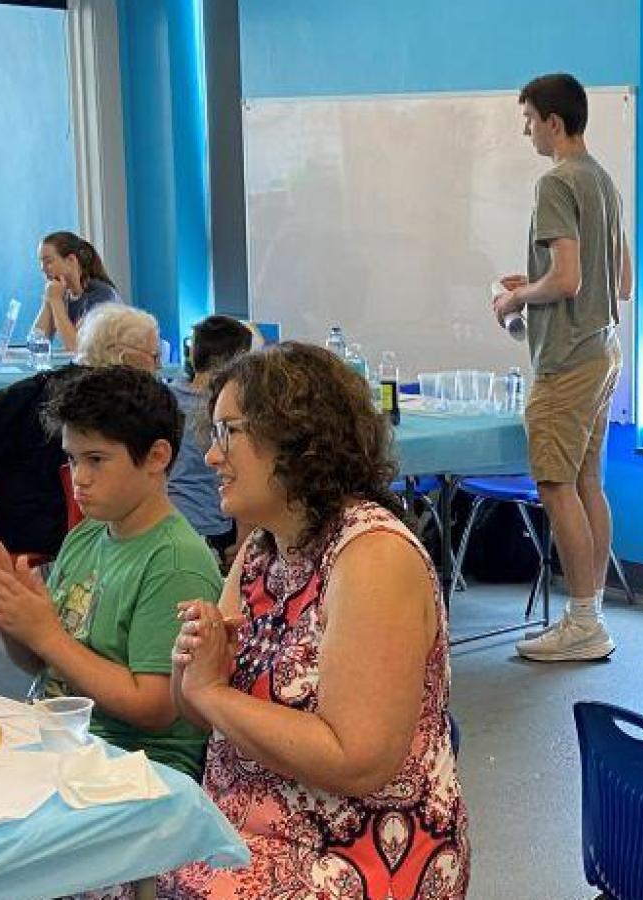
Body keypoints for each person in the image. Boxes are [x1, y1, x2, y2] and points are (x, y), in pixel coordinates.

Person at [164, 343, 467, 897]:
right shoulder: (264, 547)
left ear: (295, 440)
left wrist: (210, 692)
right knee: (88, 872)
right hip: (250, 829)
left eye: (228, 431)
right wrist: (193, 665)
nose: (211, 455)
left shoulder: (372, 554)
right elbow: (194, 710)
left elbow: (358, 760)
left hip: (354, 852)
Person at [0, 366, 219, 778]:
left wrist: (47, 634)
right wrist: (14, 620)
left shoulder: (174, 562)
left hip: (142, 768)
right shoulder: (85, 535)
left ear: (156, 457)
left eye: (96, 459)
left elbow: (154, 708)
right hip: (67, 743)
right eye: (72, 458)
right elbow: (43, 666)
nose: (79, 478)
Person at [496, 73, 635, 663]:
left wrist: (515, 298)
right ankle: (591, 613)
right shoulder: (602, 181)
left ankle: (582, 622)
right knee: (586, 483)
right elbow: (620, 282)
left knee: (556, 483)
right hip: (603, 349)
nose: (526, 130)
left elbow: (569, 279)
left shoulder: (555, 182)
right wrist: (537, 286)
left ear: (554, 121)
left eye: (529, 118)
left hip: (567, 359)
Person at [0, 303, 160, 559]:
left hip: (6, 522)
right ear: (124, 357)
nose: (158, 367)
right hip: (62, 534)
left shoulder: (32, 389)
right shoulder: (109, 412)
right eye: (155, 356)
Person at [169, 315, 252, 567]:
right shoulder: (233, 411)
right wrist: (245, 539)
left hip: (170, 521)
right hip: (216, 527)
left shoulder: (164, 398)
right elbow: (243, 473)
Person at [29, 231, 120, 353]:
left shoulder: (101, 296)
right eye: (41, 262)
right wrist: (48, 301)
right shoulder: (61, 293)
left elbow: (79, 350)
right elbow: (36, 348)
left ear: (71, 260)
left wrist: (56, 302)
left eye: (48, 261)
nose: (42, 268)